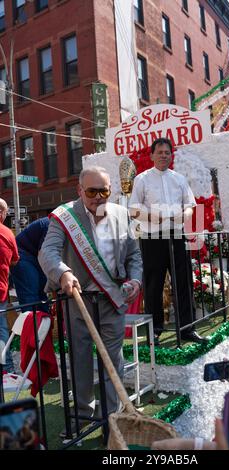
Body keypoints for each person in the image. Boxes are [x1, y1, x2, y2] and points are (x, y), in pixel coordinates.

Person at [38, 166, 142, 435]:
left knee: (112, 360)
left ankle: (110, 419)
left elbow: (134, 256)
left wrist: (135, 280)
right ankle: (83, 413)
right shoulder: (65, 216)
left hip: (112, 299)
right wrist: (63, 272)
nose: (98, 197)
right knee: (80, 359)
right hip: (78, 300)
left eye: (104, 191)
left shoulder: (120, 214)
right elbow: (47, 251)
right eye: (92, 191)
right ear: (80, 191)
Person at [129, 137, 206, 345]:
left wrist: (186, 215)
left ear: (171, 155)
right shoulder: (142, 179)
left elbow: (190, 204)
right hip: (152, 236)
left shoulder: (179, 179)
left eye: (167, 152)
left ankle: (187, 328)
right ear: (152, 155)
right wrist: (156, 216)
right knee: (153, 284)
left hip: (176, 235)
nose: (164, 155)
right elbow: (133, 208)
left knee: (184, 282)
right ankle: (155, 330)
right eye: (160, 152)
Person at [11, 217, 49, 312]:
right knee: (30, 296)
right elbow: (44, 253)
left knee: (42, 293)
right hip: (23, 254)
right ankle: (32, 324)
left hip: (36, 255)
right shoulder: (51, 225)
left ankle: (44, 323)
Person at [0, 198, 19, 373]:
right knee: (1, 329)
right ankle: (5, 367)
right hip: (1, 291)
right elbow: (14, 260)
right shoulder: (7, 233)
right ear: (2, 213)